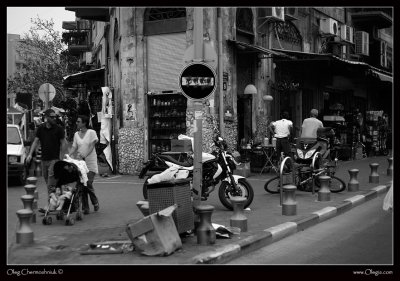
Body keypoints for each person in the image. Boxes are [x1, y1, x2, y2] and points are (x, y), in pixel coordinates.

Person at [27, 109, 67, 195]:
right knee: (48, 182)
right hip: (44, 159)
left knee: (50, 184)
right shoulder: (41, 128)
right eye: (52, 117)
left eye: (55, 117)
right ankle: (58, 197)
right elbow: (35, 141)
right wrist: (30, 154)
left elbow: (63, 143)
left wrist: (62, 157)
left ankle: (50, 206)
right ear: (46, 117)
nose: (54, 119)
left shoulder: (58, 129)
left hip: (54, 159)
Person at [69, 115, 100, 214]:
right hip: (80, 163)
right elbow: (74, 147)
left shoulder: (92, 132)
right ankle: (85, 207)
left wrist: (84, 155)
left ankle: (95, 201)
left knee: (88, 183)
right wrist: (69, 155)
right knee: (82, 185)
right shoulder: (76, 135)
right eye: (77, 121)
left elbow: (91, 146)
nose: (76, 123)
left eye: (78, 122)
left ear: (84, 123)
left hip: (90, 162)